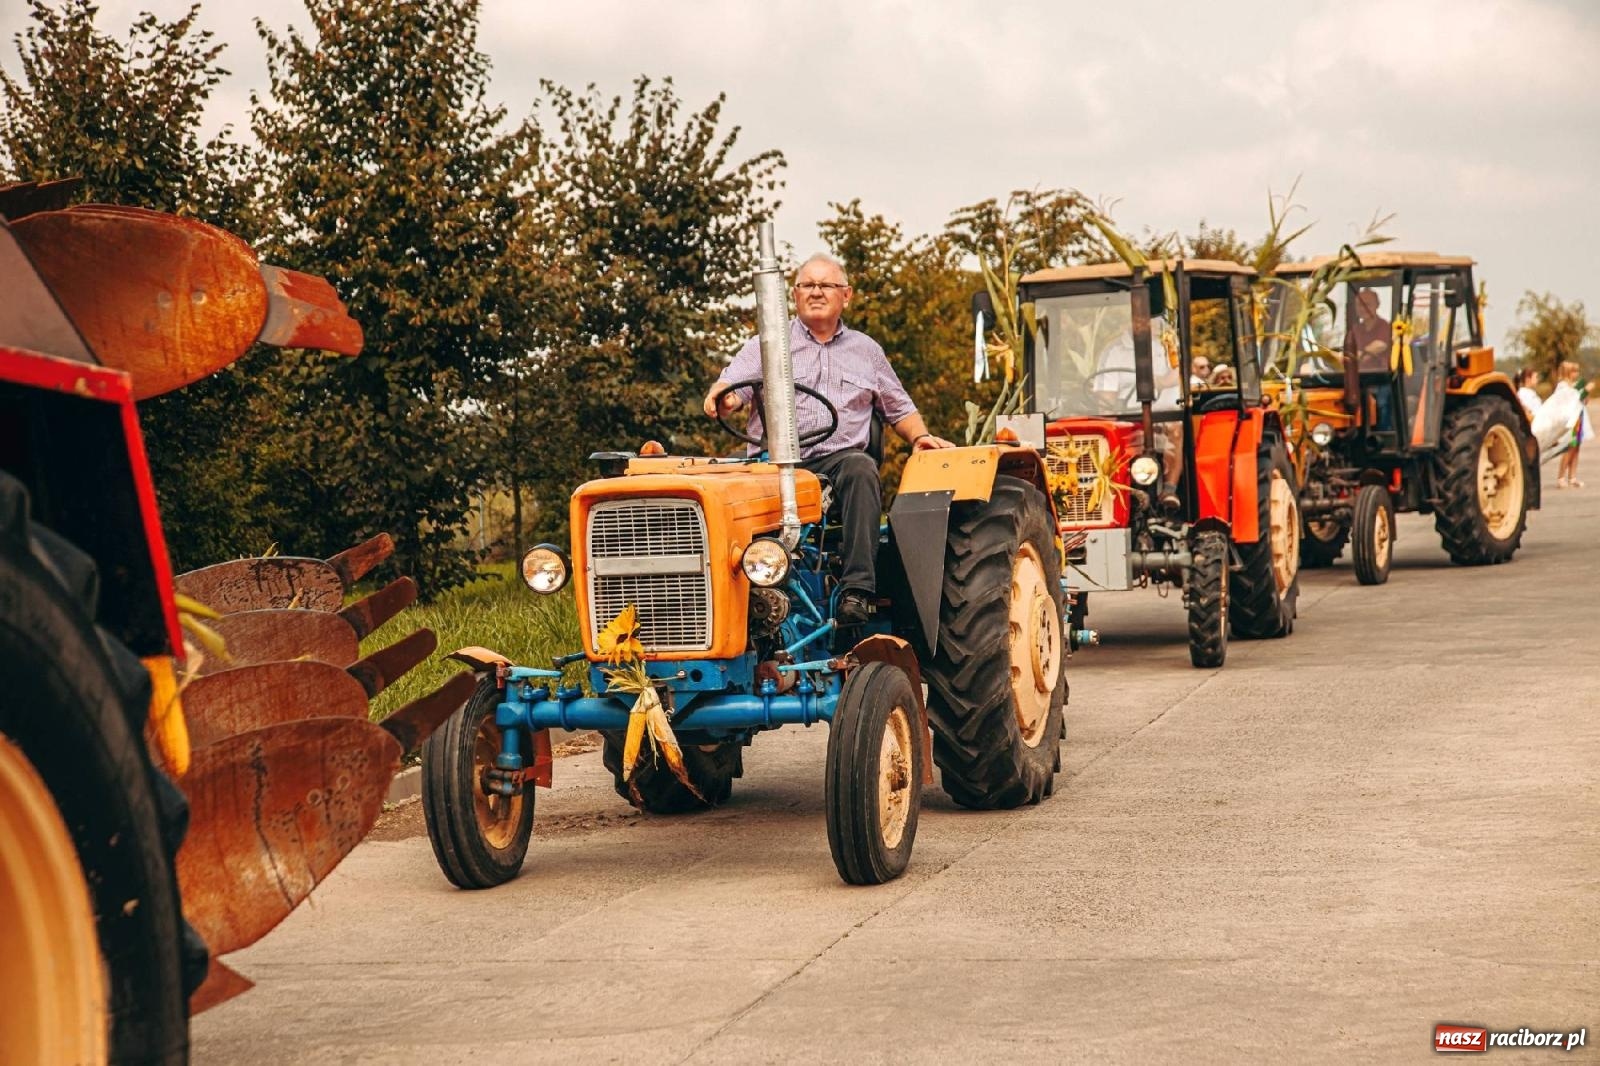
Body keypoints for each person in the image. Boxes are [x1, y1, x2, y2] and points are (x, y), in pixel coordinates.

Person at [703, 253, 953, 622]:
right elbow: (731, 389)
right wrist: (721, 398)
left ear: (846, 295)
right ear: (795, 293)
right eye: (807, 285)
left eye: (826, 285)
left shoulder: (866, 351)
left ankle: (857, 591)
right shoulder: (767, 344)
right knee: (718, 495)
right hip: (770, 466)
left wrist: (921, 437)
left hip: (835, 466)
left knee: (860, 468)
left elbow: (899, 408)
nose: (816, 292)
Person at [1551, 361, 1593, 489]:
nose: (1577, 374)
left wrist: (1586, 395)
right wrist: (1584, 390)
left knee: (1576, 448)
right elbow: (1570, 400)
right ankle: (1561, 477)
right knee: (1569, 448)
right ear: (1567, 373)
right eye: (1574, 371)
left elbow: (1582, 401)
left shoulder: (1575, 385)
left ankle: (1572, 476)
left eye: (1577, 371)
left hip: (1579, 420)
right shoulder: (1562, 386)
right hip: (1570, 422)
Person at [1349, 288, 1391, 372]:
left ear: (1377, 305)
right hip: (1358, 376)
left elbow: (1379, 345)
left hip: (1380, 378)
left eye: (1367, 304)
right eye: (1359, 305)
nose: (1362, 308)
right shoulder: (1355, 330)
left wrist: (1360, 355)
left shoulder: (1385, 326)